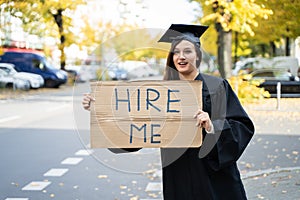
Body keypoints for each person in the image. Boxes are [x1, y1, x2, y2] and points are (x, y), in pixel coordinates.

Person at [82, 24, 255, 200]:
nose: (181, 57)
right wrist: (100, 109)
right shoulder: (160, 93)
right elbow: (136, 130)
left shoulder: (216, 87)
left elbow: (242, 126)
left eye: (187, 51)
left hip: (214, 176)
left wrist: (212, 126)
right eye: (176, 52)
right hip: (177, 174)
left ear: (197, 56)